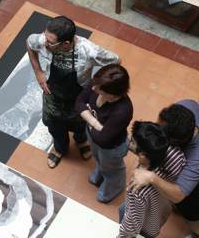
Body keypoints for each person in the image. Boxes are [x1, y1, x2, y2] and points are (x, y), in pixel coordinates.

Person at [27, 16, 119, 168]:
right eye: (45, 37)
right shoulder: (43, 40)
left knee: (80, 124)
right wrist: (38, 71)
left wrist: (95, 84)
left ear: (66, 43)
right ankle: (59, 148)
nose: (44, 43)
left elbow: (115, 61)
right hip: (52, 94)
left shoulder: (88, 51)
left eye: (50, 42)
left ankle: (81, 141)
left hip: (78, 96)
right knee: (54, 125)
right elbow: (29, 44)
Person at [128, 100, 199, 237]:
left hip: (194, 192)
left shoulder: (195, 156)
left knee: (192, 211)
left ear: (174, 142)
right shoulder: (186, 107)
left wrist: (151, 177)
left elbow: (179, 194)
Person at [76, 64, 133, 203]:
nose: (93, 88)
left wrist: (86, 115)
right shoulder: (99, 82)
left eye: (99, 90)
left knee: (112, 168)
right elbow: (79, 102)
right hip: (94, 136)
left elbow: (103, 139)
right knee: (98, 158)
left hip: (111, 147)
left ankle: (114, 186)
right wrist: (95, 123)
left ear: (113, 96)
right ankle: (101, 172)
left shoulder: (123, 111)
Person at [118, 121, 186, 238]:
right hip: (157, 220)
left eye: (133, 142)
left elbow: (131, 226)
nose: (130, 142)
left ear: (143, 155)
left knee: (124, 212)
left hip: (143, 228)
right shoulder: (176, 156)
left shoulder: (136, 190)